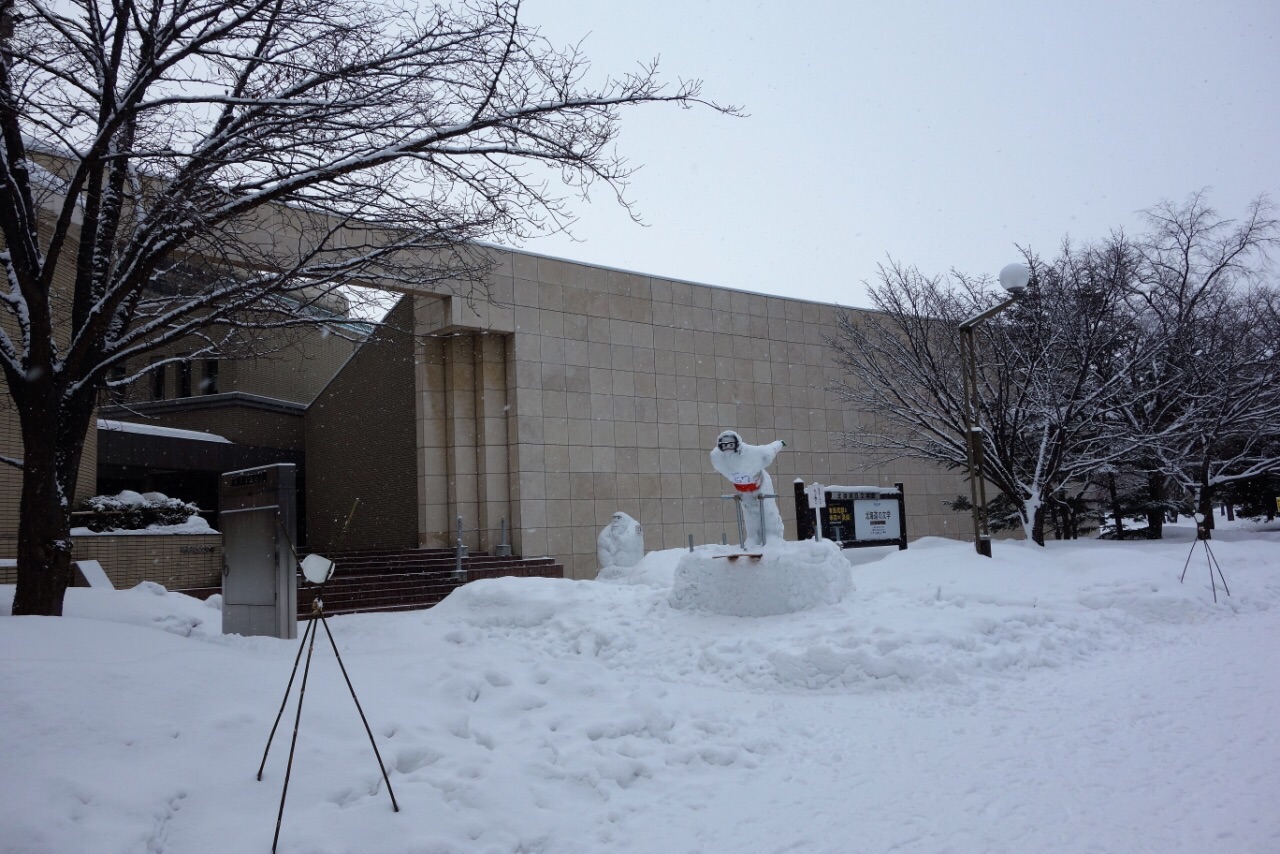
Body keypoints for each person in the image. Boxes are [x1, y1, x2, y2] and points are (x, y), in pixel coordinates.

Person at [709, 430, 786, 547]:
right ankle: (753, 537)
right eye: (724, 446)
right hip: (743, 491)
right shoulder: (717, 457)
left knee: (767, 509)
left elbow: (770, 450)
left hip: (761, 484)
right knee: (749, 511)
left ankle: (772, 536)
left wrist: (780, 443)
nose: (728, 449)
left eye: (730, 445)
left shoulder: (753, 453)